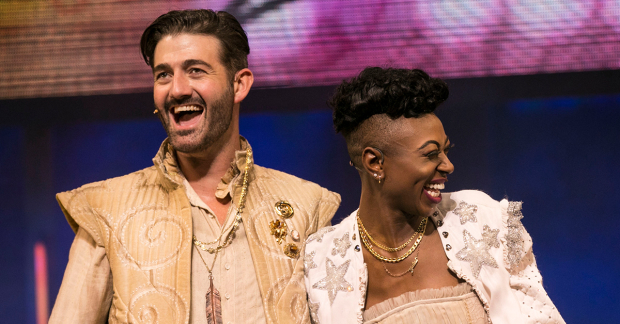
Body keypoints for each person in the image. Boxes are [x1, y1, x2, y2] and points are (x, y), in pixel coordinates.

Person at [49, 9, 340, 324]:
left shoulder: (306, 206)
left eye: (196, 70)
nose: (177, 89)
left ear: (239, 85)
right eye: (163, 75)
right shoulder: (107, 210)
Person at [304, 67, 564, 324]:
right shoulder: (322, 261)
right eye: (430, 154)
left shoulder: (483, 221)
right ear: (375, 162)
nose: (448, 165)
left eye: (446, 151)